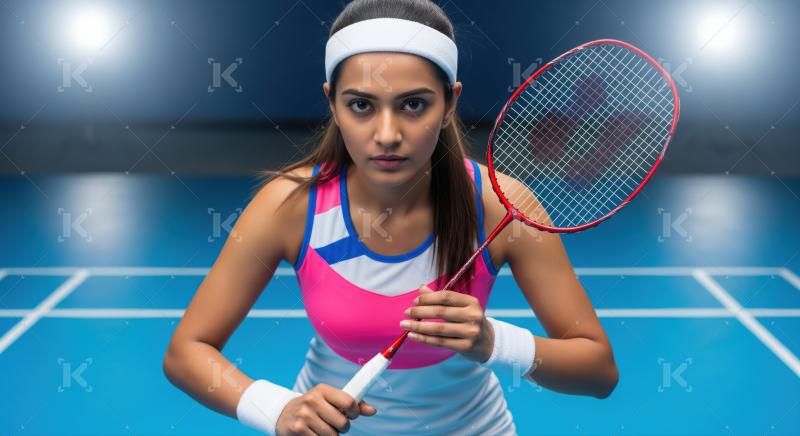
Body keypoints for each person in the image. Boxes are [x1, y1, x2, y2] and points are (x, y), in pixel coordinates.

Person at [163, 0, 618, 434]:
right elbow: (187, 351)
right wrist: (277, 408)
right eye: (361, 105)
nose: (387, 135)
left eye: (413, 104)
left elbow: (598, 372)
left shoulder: (502, 204)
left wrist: (492, 341)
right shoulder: (290, 205)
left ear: (450, 103)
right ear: (332, 103)